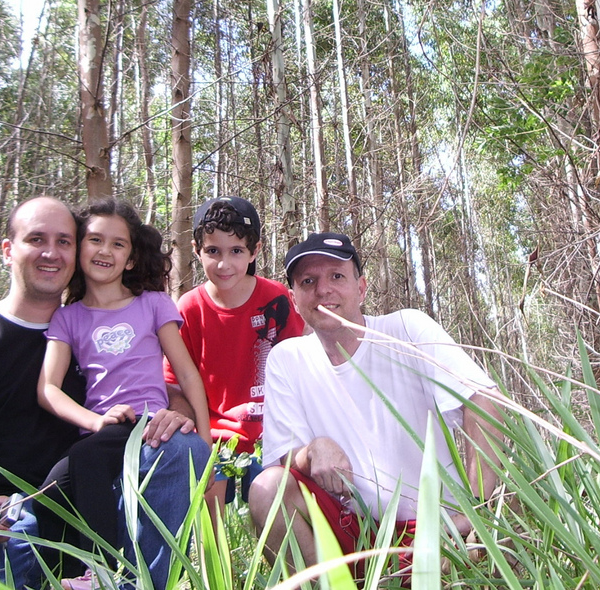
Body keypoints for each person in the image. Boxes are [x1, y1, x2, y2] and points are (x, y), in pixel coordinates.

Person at [0, 196, 207, 590]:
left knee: (182, 448)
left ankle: (128, 581)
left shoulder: (121, 315)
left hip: (110, 498)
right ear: (8, 250)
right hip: (10, 516)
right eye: (36, 239)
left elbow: (159, 382)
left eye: (64, 241)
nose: (51, 252)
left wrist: (184, 416)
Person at [248, 232, 502, 576]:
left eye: (337, 276)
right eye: (309, 281)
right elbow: (286, 455)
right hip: (353, 530)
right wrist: (314, 450)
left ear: (362, 287)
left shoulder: (406, 330)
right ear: (294, 299)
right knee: (267, 489)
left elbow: (484, 402)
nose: (323, 290)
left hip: (433, 528)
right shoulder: (286, 359)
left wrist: (476, 513)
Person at [36, 198, 211, 588]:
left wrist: (205, 437)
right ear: (80, 248)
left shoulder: (151, 305)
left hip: (149, 424)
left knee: (86, 456)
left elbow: (186, 372)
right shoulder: (67, 317)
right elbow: (48, 388)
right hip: (102, 432)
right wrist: (94, 420)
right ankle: (65, 574)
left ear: (131, 259)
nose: (105, 251)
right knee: (51, 489)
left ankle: (102, 572)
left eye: (119, 244)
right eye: (95, 240)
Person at [164, 196, 305, 522]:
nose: (224, 264)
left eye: (236, 251)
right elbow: (174, 383)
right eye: (213, 251)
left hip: (272, 436)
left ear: (254, 251)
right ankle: (217, 571)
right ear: (197, 250)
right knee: (205, 490)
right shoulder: (189, 308)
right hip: (212, 437)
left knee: (282, 501)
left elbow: (297, 367)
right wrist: (196, 436)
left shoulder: (277, 299)